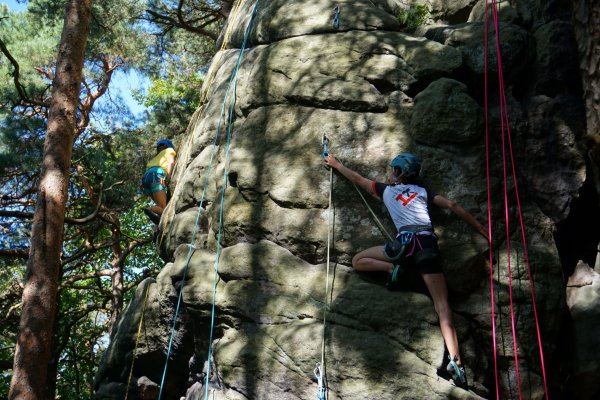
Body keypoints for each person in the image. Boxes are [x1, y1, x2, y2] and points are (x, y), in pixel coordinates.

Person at [323, 152, 488, 388]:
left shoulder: (386, 191)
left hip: (401, 247)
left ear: (399, 172)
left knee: (358, 260)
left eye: (394, 169)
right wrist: (480, 227)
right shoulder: (423, 192)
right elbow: (452, 205)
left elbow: (358, 179)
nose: (391, 172)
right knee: (442, 306)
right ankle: (456, 362)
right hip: (426, 246)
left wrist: (336, 164)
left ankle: (391, 268)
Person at [141, 139, 177, 224]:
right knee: (163, 208)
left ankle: (158, 218)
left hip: (145, 179)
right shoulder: (169, 150)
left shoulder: (155, 158)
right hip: (156, 174)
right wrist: (168, 177)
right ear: (167, 146)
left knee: (160, 207)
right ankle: (150, 209)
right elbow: (171, 163)